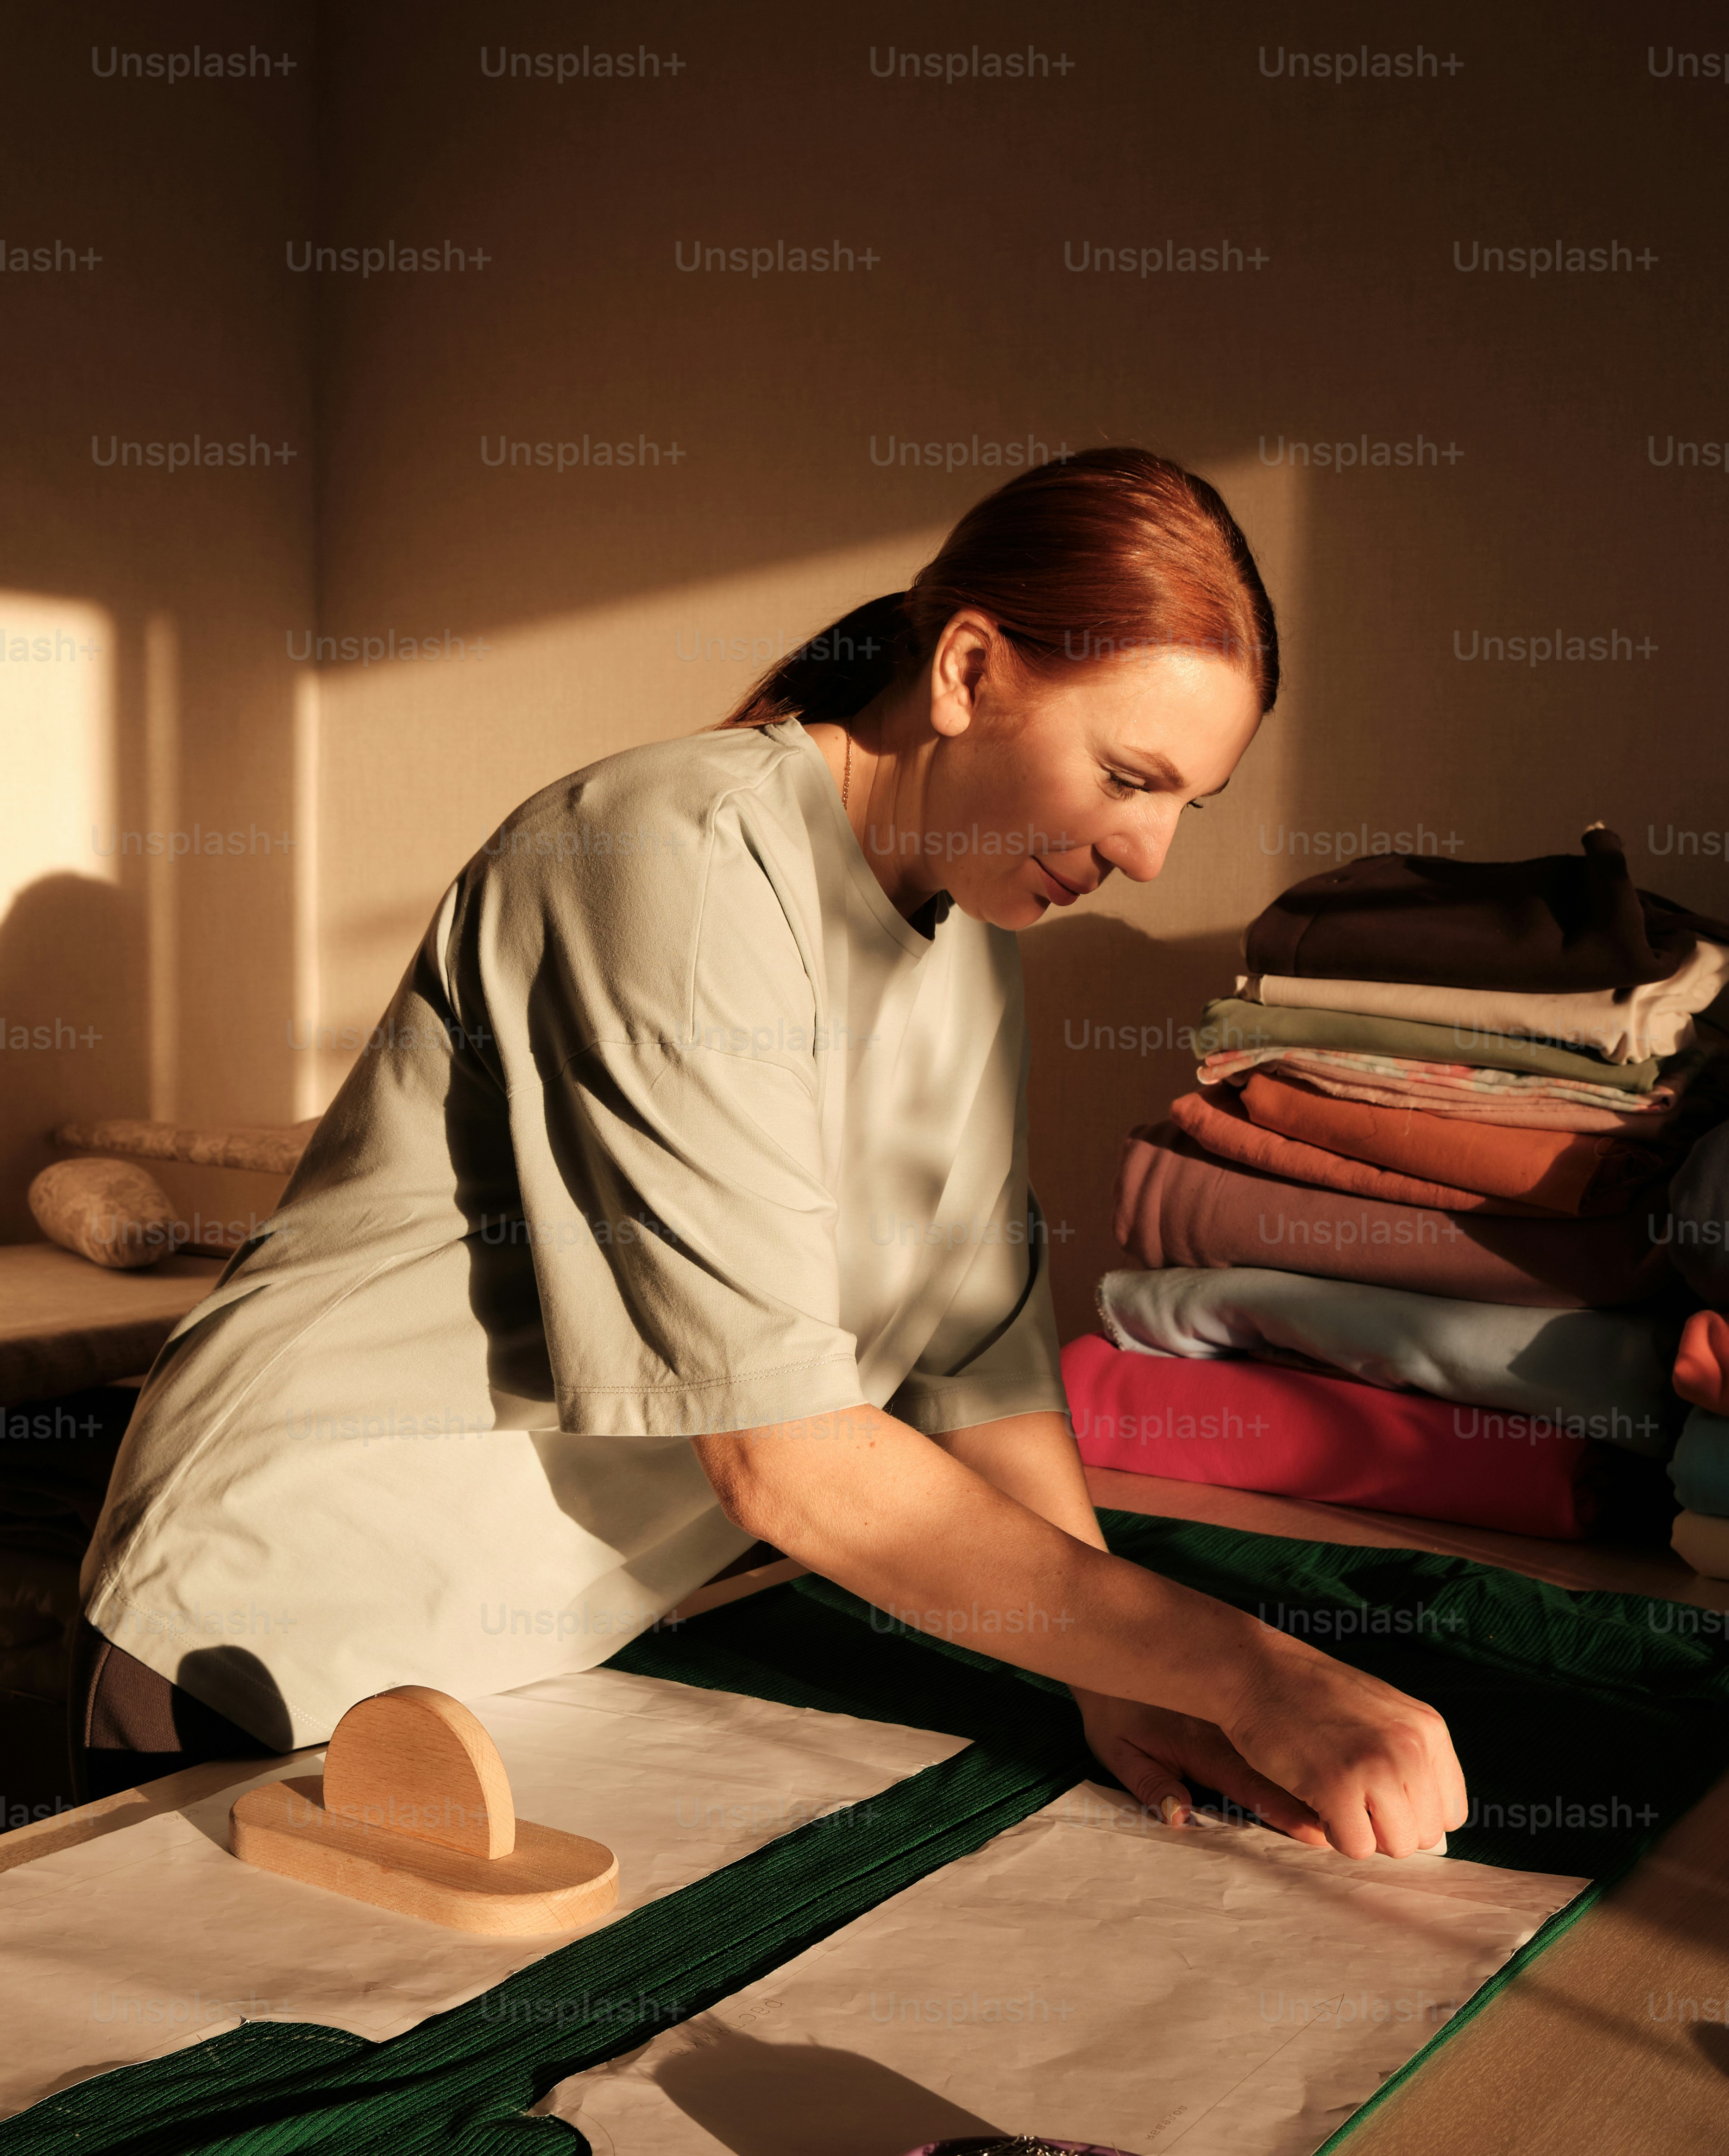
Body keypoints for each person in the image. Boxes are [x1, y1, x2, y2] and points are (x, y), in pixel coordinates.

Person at [75, 447, 1465, 1857]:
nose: (1152, 854)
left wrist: (1106, 1669)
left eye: (1186, 804)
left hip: (516, 1657)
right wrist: (1252, 1668)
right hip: (288, 1619)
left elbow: (976, 1361)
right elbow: (789, 1458)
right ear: (969, 670)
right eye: (1128, 776)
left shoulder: (969, 948)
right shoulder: (667, 859)